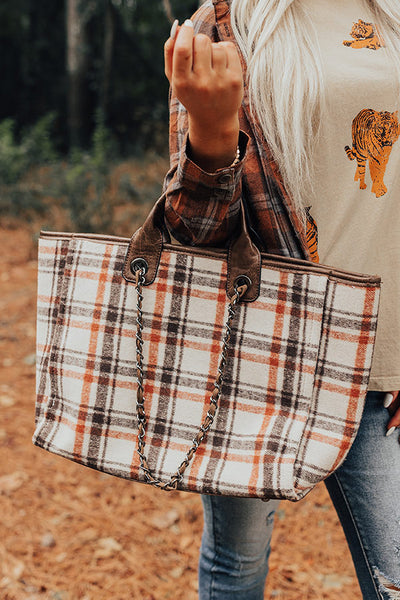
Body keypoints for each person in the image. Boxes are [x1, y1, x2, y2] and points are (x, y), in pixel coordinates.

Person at [163, 1, 400, 598]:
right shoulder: (221, 28)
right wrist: (212, 133)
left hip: (383, 357)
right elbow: (192, 236)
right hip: (260, 351)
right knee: (237, 561)